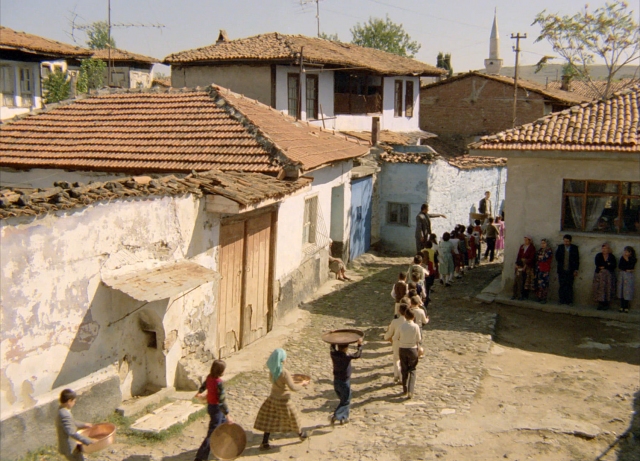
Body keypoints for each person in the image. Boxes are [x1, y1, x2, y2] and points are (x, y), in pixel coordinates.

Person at [254, 349, 308, 450]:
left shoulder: (273, 370)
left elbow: (273, 380)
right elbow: (293, 387)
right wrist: (302, 384)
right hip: (284, 400)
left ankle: (265, 442)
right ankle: (301, 434)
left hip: (273, 398)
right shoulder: (284, 372)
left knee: (269, 420)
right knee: (293, 418)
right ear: (282, 360)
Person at [194, 360, 230, 461]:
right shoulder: (219, 383)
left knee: (223, 428)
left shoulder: (209, 377)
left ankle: (219, 451)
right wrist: (228, 414)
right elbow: (221, 401)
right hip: (217, 410)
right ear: (220, 371)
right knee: (212, 434)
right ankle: (200, 457)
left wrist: (199, 392)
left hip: (211, 407)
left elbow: (204, 385)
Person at [330, 338, 363, 424]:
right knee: (346, 401)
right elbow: (357, 354)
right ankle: (336, 415)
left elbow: (332, 347)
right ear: (346, 348)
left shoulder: (333, 354)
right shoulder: (346, 357)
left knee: (343, 400)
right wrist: (359, 344)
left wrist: (333, 339)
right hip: (344, 382)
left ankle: (344, 417)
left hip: (336, 381)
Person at [55, 389, 94, 461]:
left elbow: (71, 422)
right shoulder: (65, 414)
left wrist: (84, 424)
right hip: (70, 448)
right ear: (69, 401)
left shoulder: (61, 409)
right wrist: (88, 441)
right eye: (74, 401)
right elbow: (71, 432)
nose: (74, 403)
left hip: (67, 447)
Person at [393, 309, 422, 399]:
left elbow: (395, 337)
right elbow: (419, 339)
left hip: (403, 349)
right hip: (412, 349)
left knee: (404, 369)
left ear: (405, 316)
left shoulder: (401, 326)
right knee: (412, 369)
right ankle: (410, 390)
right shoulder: (416, 326)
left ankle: (404, 389)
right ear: (413, 317)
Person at [384, 303, 408, 383]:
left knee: (396, 358)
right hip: (407, 343)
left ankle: (396, 374)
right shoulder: (410, 322)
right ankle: (401, 377)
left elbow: (390, 332)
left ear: (399, 311)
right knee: (403, 360)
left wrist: (385, 337)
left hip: (397, 342)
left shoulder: (395, 321)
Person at [556, 235, 580, 305]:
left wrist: (576, 270)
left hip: (570, 270)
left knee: (569, 285)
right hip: (562, 270)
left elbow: (577, 259)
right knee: (562, 285)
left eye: (567, 241)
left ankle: (569, 301)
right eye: (564, 241)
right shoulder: (560, 247)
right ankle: (561, 300)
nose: (566, 243)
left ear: (570, 241)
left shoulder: (574, 248)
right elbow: (557, 257)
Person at [593, 243, 617, 310]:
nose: (604, 250)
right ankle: (600, 303)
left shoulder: (611, 257)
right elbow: (598, 264)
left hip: (608, 277)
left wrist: (605, 266)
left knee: (607, 289)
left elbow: (613, 265)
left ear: (608, 249)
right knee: (599, 289)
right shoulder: (598, 256)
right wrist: (607, 265)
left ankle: (606, 304)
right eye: (603, 248)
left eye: (605, 248)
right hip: (599, 276)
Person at [618, 246, 637, 313]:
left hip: (629, 276)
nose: (625, 253)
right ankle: (621, 306)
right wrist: (627, 269)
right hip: (622, 275)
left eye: (626, 251)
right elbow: (620, 266)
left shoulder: (633, 259)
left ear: (630, 252)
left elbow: (631, 266)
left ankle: (626, 306)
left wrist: (627, 260)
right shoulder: (622, 258)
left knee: (627, 291)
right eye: (625, 251)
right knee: (621, 290)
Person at [535, 239, 553, 304]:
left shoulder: (549, 250)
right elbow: (537, 257)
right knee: (539, 284)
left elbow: (544, 258)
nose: (542, 245)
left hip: (545, 270)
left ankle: (544, 298)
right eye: (542, 243)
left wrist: (541, 257)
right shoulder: (540, 250)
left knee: (544, 284)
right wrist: (540, 257)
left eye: (544, 243)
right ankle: (539, 297)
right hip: (539, 269)